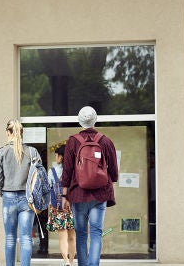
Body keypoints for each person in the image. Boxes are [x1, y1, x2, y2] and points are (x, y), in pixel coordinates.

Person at [61, 106, 118, 266]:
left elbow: (67, 170)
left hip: (78, 194)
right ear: (95, 120)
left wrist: (65, 195)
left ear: (80, 121)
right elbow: (114, 172)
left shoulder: (73, 141)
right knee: (96, 233)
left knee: (80, 234)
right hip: (100, 195)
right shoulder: (105, 141)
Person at [0, 119, 42, 266]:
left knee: (9, 237)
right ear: (22, 132)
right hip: (28, 198)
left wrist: (2, 192)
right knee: (26, 237)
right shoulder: (32, 152)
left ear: (8, 132)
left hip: (8, 196)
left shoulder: (1, 152)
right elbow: (39, 178)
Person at [46, 144, 75, 266]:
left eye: (57, 155)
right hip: (72, 206)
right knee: (72, 237)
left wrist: (49, 204)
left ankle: (66, 261)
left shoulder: (52, 171)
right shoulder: (74, 171)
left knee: (62, 236)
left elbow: (48, 189)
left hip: (57, 207)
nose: (56, 157)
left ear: (61, 157)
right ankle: (72, 262)